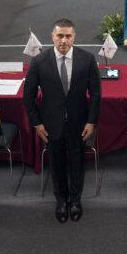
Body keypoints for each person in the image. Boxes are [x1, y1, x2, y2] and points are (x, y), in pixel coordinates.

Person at [23, 19, 102, 224]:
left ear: (74, 37)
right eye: (60, 36)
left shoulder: (87, 59)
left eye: (68, 36)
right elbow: (28, 96)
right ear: (52, 37)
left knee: (77, 163)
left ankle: (75, 200)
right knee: (56, 165)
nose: (64, 40)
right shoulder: (39, 61)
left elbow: (95, 94)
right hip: (51, 126)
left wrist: (91, 121)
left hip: (79, 124)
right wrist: (37, 123)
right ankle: (61, 200)